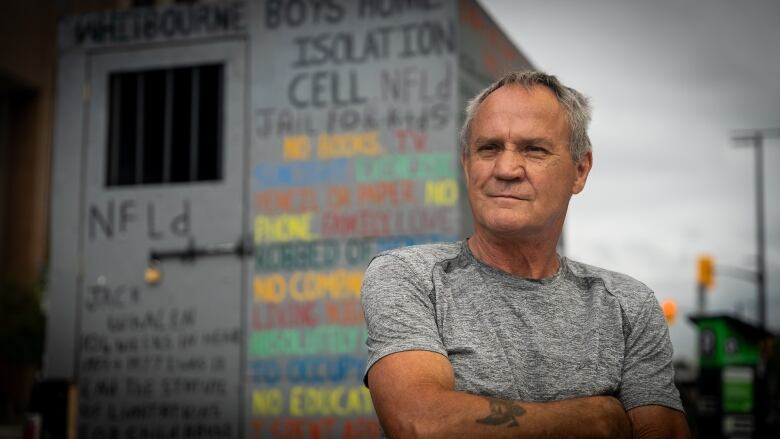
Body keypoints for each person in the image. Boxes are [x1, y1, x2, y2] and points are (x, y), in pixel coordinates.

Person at [360, 71, 690, 438]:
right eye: (489, 148)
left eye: (534, 149)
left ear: (580, 170)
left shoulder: (629, 305)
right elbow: (422, 424)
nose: (506, 169)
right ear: (467, 165)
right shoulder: (412, 278)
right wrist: (598, 417)